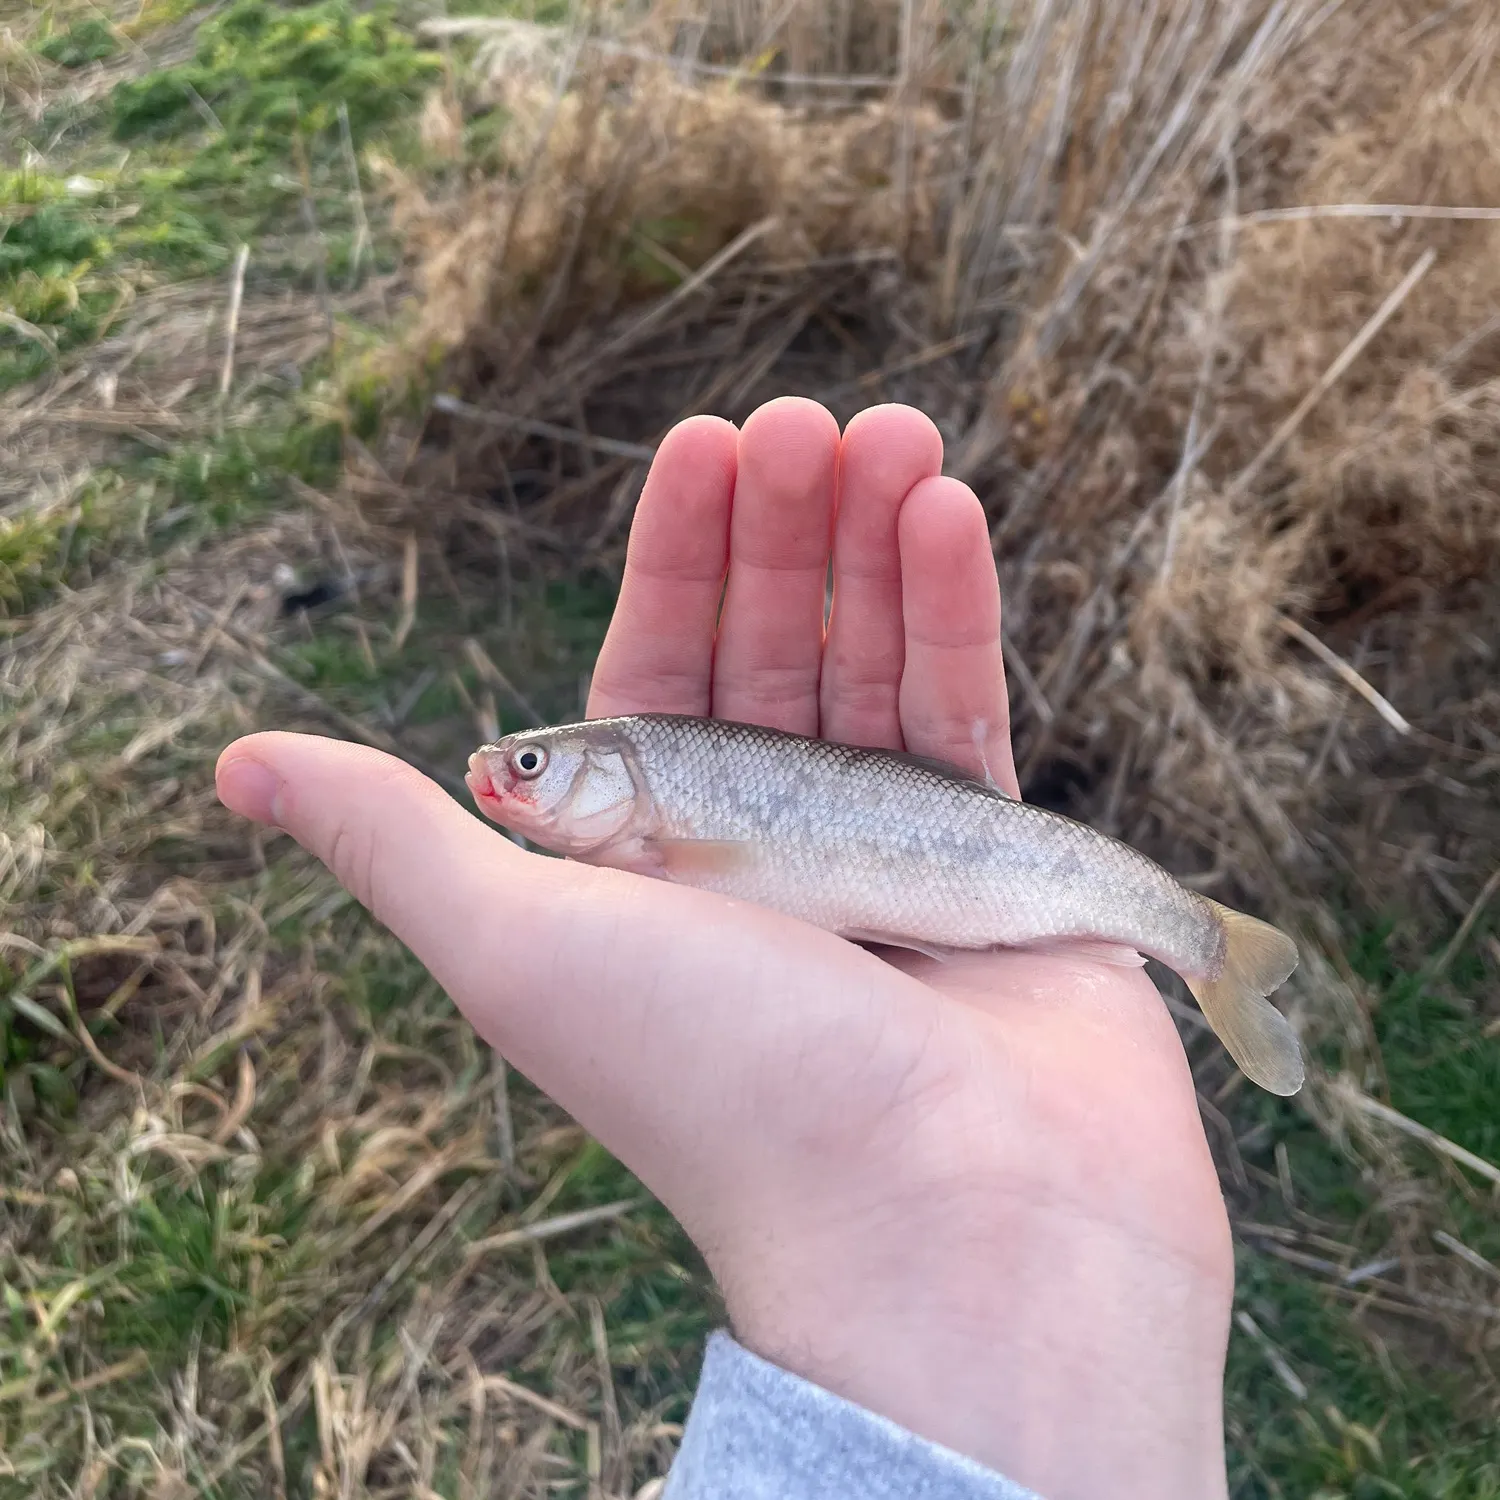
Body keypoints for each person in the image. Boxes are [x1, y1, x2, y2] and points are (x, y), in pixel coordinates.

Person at [216, 398, 1236, 1500]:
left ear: (610, 774)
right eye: (519, 770)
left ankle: (1204, 940)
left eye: (530, 770)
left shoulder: (661, 821)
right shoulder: (653, 838)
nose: (504, 782)